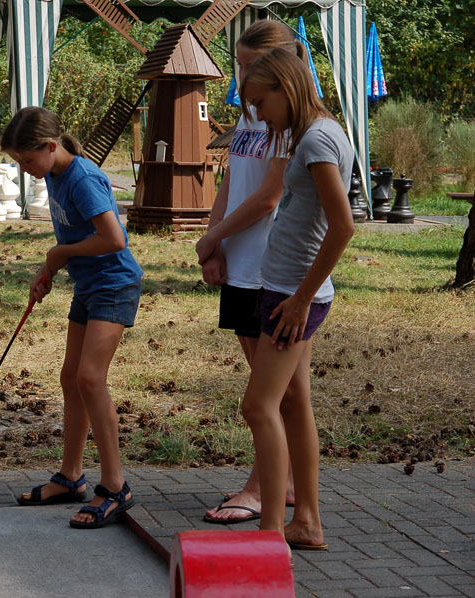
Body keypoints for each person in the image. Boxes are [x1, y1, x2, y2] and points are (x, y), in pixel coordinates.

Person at [1, 106, 143, 528]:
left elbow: (114, 239)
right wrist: (50, 268)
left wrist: (60, 253)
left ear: (50, 146)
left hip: (114, 285)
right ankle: (71, 476)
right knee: (71, 378)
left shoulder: (82, 179)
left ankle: (115, 486)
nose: (25, 169)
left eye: (27, 160)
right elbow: (75, 238)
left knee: (90, 378)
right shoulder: (55, 175)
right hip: (88, 285)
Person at [238, 47, 355, 550]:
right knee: (292, 401)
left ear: (285, 89)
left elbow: (343, 226)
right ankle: (305, 521)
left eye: (260, 103)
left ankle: (270, 534)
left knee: (258, 407)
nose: (258, 115)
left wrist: (302, 299)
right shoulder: (317, 133)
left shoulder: (317, 141)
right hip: (290, 290)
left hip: (292, 297)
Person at [194, 20, 306, 525]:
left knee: (271, 395)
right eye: (239, 65)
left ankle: (260, 491)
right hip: (238, 265)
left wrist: (215, 237)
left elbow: (268, 197)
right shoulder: (249, 114)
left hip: (271, 270)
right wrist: (213, 244)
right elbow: (232, 182)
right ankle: (286, 484)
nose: (243, 78)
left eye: (250, 66)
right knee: (281, 393)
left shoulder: (288, 121)